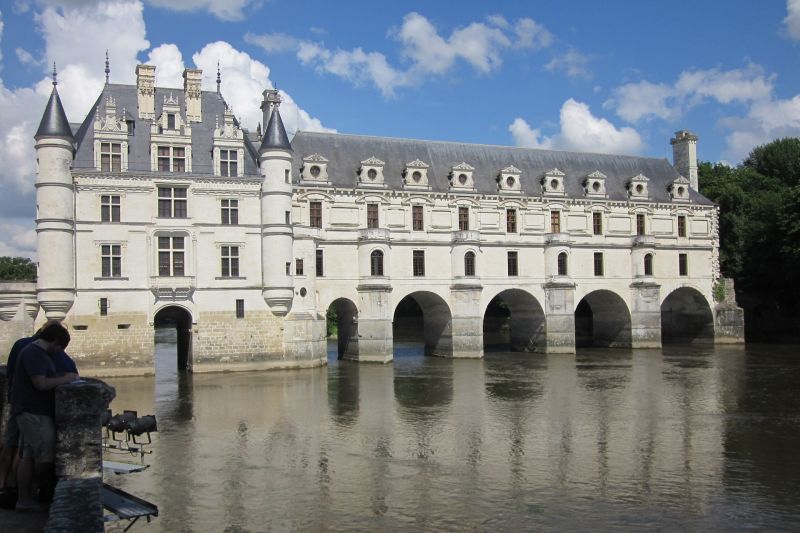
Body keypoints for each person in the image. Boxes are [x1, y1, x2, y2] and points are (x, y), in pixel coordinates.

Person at [0, 320, 76, 489]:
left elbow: (11, 374)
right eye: (60, 348)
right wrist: (67, 378)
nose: (59, 352)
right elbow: (40, 383)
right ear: (55, 341)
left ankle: (17, 494)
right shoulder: (34, 353)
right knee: (43, 456)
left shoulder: (26, 347)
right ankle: (37, 490)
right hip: (32, 412)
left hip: (22, 406)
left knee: (24, 453)